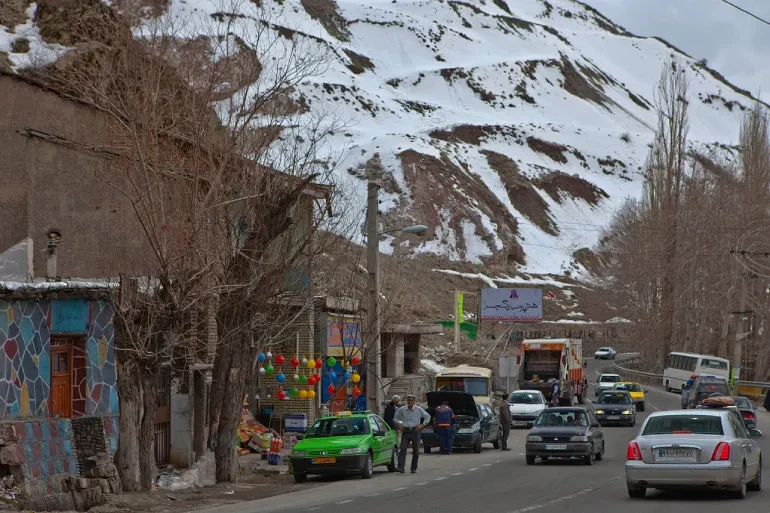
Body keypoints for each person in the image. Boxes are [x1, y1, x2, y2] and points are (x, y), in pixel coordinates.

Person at [393, 395, 431, 474]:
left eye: (411, 400)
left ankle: (413, 468)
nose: (409, 402)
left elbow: (427, 417)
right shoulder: (402, 409)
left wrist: (422, 425)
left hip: (415, 431)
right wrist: (399, 424)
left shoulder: (418, 409)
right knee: (403, 449)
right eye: (408, 400)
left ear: (414, 401)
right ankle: (401, 467)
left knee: (416, 450)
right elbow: (396, 418)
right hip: (406, 431)